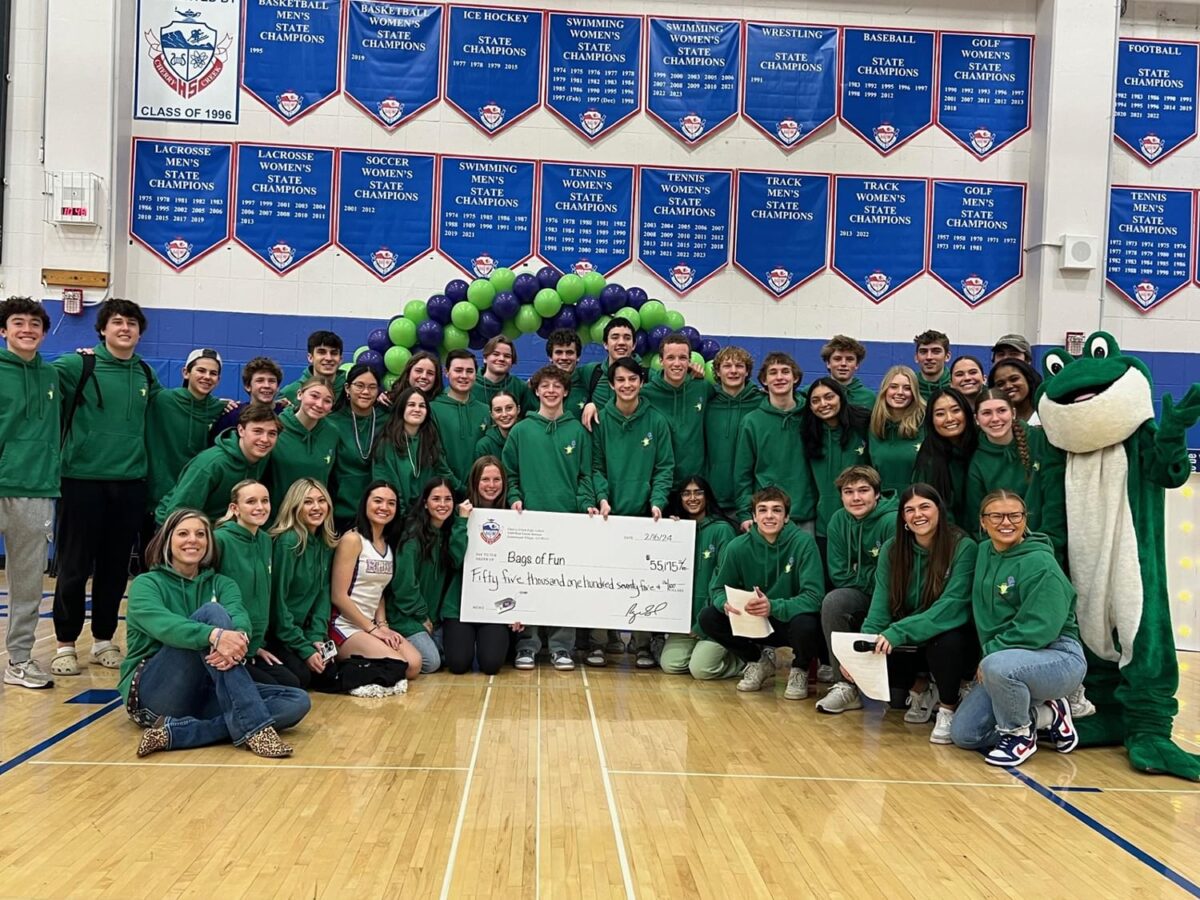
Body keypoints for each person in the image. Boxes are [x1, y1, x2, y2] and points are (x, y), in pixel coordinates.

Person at [119, 508, 310, 758]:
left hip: (207, 689)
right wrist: (215, 636)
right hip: (156, 694)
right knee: (213, 612)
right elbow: (166, 627)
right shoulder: (147, 584)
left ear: (209, 543)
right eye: (183, 534)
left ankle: (179, 734)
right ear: (167, 540)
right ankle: (256, 730)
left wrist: (237, 637)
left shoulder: (222, 583)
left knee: (296, 701)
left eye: (200, 534)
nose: (193, 540)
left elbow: (241, 617)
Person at [52, 298, 160, 676]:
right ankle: (65, 643)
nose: (125, 328)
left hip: (129, 484)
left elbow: (169, 412)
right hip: (81, 481)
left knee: (115, 568)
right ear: (102, 329)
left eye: (132, 323)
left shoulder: (146, 374)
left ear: (140, 332)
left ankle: (103, 640)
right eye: (117, 322)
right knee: (73, 566)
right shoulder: (75, 365)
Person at [951, 490, 1084, 766]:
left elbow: (1041, 629)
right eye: (997, 516)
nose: (1006, 522)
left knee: (998, 666)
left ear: (1025, 519)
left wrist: (991, 654)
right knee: (965, 734)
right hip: (1005, 660)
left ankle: (1019, 735)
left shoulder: (1041, 564)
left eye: (1015, 515)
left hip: (1058, 656)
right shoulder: (984, 551)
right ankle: (1049, 714)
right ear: (983, 522)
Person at [858, 484, 978, 744]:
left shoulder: (963, 546)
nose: (917, 514)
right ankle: (920, 686)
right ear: (902, 517)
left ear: (939, 510)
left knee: (948, 641)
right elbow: (880, 607)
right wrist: (858, 653)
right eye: (909, 509)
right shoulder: (892, 549)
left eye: (925, 506)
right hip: (911, 637)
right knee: (875, 652)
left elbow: (952, 607)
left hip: (948, 635)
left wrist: (898, 631)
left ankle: (948, 706)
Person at [503, 365, 596, 671]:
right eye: (546, 386)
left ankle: (561, 647)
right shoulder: (520, 431)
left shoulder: (578, 432)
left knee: (562, 587)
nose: (552, 391)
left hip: (568, 522)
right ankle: (527, 645)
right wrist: (515, 499)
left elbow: (585, 476)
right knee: (528, 584)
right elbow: (510, 474)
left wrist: (585, 505)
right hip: (528, 523)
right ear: (537, 390)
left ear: (566, 391)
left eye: (558, 386)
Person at [698, 487, 826, 699]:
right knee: (709, 616)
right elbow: (718, 589)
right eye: (763, 510)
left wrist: (773, 606)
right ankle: (758, 661)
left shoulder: (803, 543)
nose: (769, 516)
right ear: (754, 517)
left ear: (786, 517)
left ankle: (800, 669)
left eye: (776, 510)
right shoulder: (737, 547)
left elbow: (814, 597)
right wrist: (724, 604)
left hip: (788, 621)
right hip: (753, 621)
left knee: (807, 623)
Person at [588, 356, 675, 668]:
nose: (626, 385)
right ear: (612, 385)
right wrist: (602, 498)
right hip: (609, 515)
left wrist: (657, 501)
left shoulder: (657, 421)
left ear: (641, 382)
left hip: (643, 516)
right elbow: (595, 465)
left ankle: (641, 643)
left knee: (641, 583)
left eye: (632, 379)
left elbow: (665, 467)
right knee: (602, 580)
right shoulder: (600, 420)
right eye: (620, 380)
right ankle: (600, 641)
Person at [0, 297, 60, 689]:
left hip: (35, 487)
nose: (27, 329)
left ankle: (19, 660)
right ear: (4, 330)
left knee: (27, 581)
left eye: (35, 323)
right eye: (18, 322)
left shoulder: (53, 376)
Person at [816, 466, 899, 714]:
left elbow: (893, 576)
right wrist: (871, 575)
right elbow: (839, 574)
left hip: (894, 595)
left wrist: (861, 573)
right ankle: (844, 686)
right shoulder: (838, 520)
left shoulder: (891, 520)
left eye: (863, 491)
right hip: (861, 592)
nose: (856, 498)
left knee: (896, 700)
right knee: (834, 601)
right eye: (848, 491)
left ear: (877, 494)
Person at [329, 481, 422, 692]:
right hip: (344, 625)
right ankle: (345, 672)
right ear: (365, 504)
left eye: (391, 503)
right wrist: (372, 629)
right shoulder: (352, 539)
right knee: (400, 665)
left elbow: (378, 589)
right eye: (377, 501)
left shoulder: (387, 543)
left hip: (370, 625)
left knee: (414, 664)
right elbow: (338, 596)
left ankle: (363, 665)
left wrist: (383, 626)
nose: (384, 507)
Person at [213, 480, 297, 687]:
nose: (260, 507)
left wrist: (256, 647)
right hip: (229, 642)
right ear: (235, 508)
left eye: (265, 501)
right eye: (251, 501)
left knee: (293, 681)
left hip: (254, 644)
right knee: (277, 690)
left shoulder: (266, 540)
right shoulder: (219, 540)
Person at [966, 389, 1065, 561]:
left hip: (1048, 547)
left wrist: (1048, 544)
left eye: (1001, 410)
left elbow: (1054, 500)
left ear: (1012, 413)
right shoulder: (976, 461)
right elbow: (978, 520)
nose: (995, 419)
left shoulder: (1040, 440)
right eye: (986, 413)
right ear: (976, 419)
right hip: (1005, 554)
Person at [658, 476, 741, 680]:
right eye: (686, 493)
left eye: (698, 492)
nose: (692, 498)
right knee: (670, 665)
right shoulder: (677, 529)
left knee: (701, 670)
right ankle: (700, 651)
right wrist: (671, 530)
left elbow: (725, 581)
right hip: (685, 622)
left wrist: (700, 625)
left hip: (714, 620)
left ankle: (742, 660)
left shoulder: (722, 530)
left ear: (707, 496)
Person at [441, 458, 517, 675]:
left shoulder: (514, 516)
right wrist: (462, 522)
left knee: (492, 665)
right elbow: (454, 559)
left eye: (496, 479)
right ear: (474, 482)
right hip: (460, 604)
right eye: (485, 479)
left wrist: (519, 607)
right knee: (457, 664)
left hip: (496, 606)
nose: (491, 485)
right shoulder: (458, 512)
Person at [144, 348, 228, 534]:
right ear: (186, 372)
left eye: (213, 373)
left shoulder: (221, 410)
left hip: (193, 501)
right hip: (154, 501)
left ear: (219, 380)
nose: (207, 377)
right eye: (201, 370)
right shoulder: (161, 401)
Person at [268, 478, 338, 690]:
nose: (316, 507)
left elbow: (323, 597)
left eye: (321, 501)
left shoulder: (325, 543)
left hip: (303, 632)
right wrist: (305, 649)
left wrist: (316, 638)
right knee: (301, 678)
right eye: (308, 502)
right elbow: (277, 605)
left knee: (330, 673)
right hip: (279, 634)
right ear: (295, 506)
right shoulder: (288, 542)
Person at [157, 403, 281, 524]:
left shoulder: (262, 456)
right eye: (257, 431)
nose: (265, 439)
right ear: (241, 430)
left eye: (272, 433)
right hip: (177, 526)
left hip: (224, 528)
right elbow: (179, 511)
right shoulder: (211, 464)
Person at [733, 352, 815, 531]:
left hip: (806, 514)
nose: (779, 377)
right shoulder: (751, 422)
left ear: (795, 378)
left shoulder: (811, 416)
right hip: (766, 515)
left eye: (785, 371)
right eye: (773, 372)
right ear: (764, 380)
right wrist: (745, 513)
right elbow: (742, 474)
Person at [386, 478, 458, 674]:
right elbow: (404, 585)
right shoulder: (412, 537)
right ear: (425, 503)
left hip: (433, 618)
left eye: (448, 499)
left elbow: (457, 561)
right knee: (431, 662)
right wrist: (421, 614)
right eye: (436, 499)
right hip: (407, 615)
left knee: (456, 657)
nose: (442, 504)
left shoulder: (445, 535)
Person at [800, 377, 871, 542]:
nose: (823, 404)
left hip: (863, 522)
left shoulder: (864, 425)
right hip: (824, 526)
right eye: (815, 400)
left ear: (841, 397)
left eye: (829, 397)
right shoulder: (809, 435)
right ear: (810, 406)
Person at [642, 332, 712, 484]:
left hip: (694, 484)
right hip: (659, 482)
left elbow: (731, 396)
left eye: (682, 358)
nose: (677, 363)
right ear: (661, 361)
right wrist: (591, 404)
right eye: (670, 358)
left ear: (689, 361)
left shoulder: (703, 388)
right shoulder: (645, 393)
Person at [264, 377, 338, 519]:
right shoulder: (275, 428)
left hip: (314, 522)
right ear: (300, 394)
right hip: (277, 521)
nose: (319, 404)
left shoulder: (332, 433)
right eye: (314, 396)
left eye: (327, 401)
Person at [371, 386, 453, 512]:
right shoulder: (386, 444)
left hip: (427, 515)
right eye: (411, 405)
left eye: (422, 406)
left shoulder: (431, 440)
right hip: (397, 516)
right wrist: (404, 519)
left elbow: (443, 472)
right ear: (401, 408)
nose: (417, 409)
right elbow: (386, 485)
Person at [704, 346, 762, 512]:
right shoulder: (708, 404)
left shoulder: (761, 403)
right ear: (717, 371)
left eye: (739, 366)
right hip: (714, 499)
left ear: (747, 371)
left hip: (753, 500)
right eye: (727, 366)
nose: (733, 371)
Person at [328, 364, 382, 533]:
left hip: (379, 513)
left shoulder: (388, 420)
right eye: (359, 385)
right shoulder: (332, 422)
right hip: (340, 513)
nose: (366, 392)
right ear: (347, 388)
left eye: (372, 387)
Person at [913, 388, 978, 525]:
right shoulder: (928, 457)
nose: (949, 419)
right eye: (940, 414)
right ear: (932, 420)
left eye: (955, 410)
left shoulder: (982, 444)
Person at [430, 349, 491, 491]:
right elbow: (436, 456)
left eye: (469, 371)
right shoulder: (432, 409)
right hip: (444, 493)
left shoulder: (486, 410)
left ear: (476, 374)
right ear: (447, 372)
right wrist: (458, 487)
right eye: (458, 370)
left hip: (481, 493)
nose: (464, 376)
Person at [867, 366, 925, 495]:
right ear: (885, 390)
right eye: (893, 387)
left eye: (907, 388)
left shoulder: (925, 424)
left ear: (914, 393)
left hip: (915, 505)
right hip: (880, 507)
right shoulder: (872, 426)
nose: (900, 392)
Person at [209, 356, 290, 442]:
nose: (267, 385)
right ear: (248, 386)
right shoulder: (232, 415)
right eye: (260, 380)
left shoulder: (286, 415)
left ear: (278, 387)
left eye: (272, 381)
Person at [580, 317, 636, 429]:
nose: (621, 342)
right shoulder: (592, 372)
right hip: (600, 444)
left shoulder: (647, 375)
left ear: (634, 345)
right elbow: (562, 377)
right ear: (605, 344)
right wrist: (588, 405)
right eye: (615, 337)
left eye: (627, 338)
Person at [472, 335, 535, 412]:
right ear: (485, 358)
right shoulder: (470, 383)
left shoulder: (520, 387)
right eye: (496, 354)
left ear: (512, 361)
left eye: (507, 356)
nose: (501, 359)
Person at [279, 330, 345, 403]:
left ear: (340, 359)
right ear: (310, 357)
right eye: (322, 352)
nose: (328, 358)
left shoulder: (351, 391)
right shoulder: (290, 393)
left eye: (334, 353)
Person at [544, 328, 590, 418]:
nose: (564, 357)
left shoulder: (588, 381)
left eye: (569, 352)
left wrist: (592, 404)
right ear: (550, 357)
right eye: (559, 352)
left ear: (578, 357)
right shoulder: (537, 386)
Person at [821, 334, 875, 408]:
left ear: (857, 365)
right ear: (828, 363)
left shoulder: (869, 398)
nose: (843, 364)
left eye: (849, 359)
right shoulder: (812, 393)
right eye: (837, 359)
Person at [988, 358, 1043, 425]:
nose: (1008, 386)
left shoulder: (1047, 413)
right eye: (1000, 384)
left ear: (1028, 379)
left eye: (1014, 379)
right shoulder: (994, 422)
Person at [474, 390, 521, 461]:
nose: (504, 414)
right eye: (498, 410)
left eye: (509, 408)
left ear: (518, 409)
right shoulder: (484, 446)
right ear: (492, 414)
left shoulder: (528, 438)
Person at [913, 329, 952, 403]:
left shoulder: (956, 385)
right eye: (923, 352)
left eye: (936, 351)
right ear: (916, 357)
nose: (929, 357)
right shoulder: (909, 386)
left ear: (947, 356)